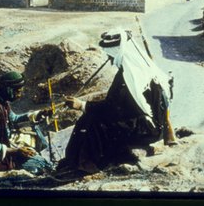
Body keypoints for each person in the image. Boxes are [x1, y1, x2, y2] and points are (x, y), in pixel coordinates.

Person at [58, 29, 174, 174]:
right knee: (92, 116)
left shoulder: (130, 75)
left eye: (110, 54)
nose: (110, 58)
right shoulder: (139, 67)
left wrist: (81, 105)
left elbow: (114, 109)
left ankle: (87, 165)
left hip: (145, 129)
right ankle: (77, 162)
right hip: (149, 125)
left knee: (91, 121)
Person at [0, 71, 52, 176]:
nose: (19, 95)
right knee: (42, 166)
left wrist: (38, 114)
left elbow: (14, 118)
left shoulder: (2, 101)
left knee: (43, 164)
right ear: (8, 89)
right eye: (18, 92)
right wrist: (16, 151)